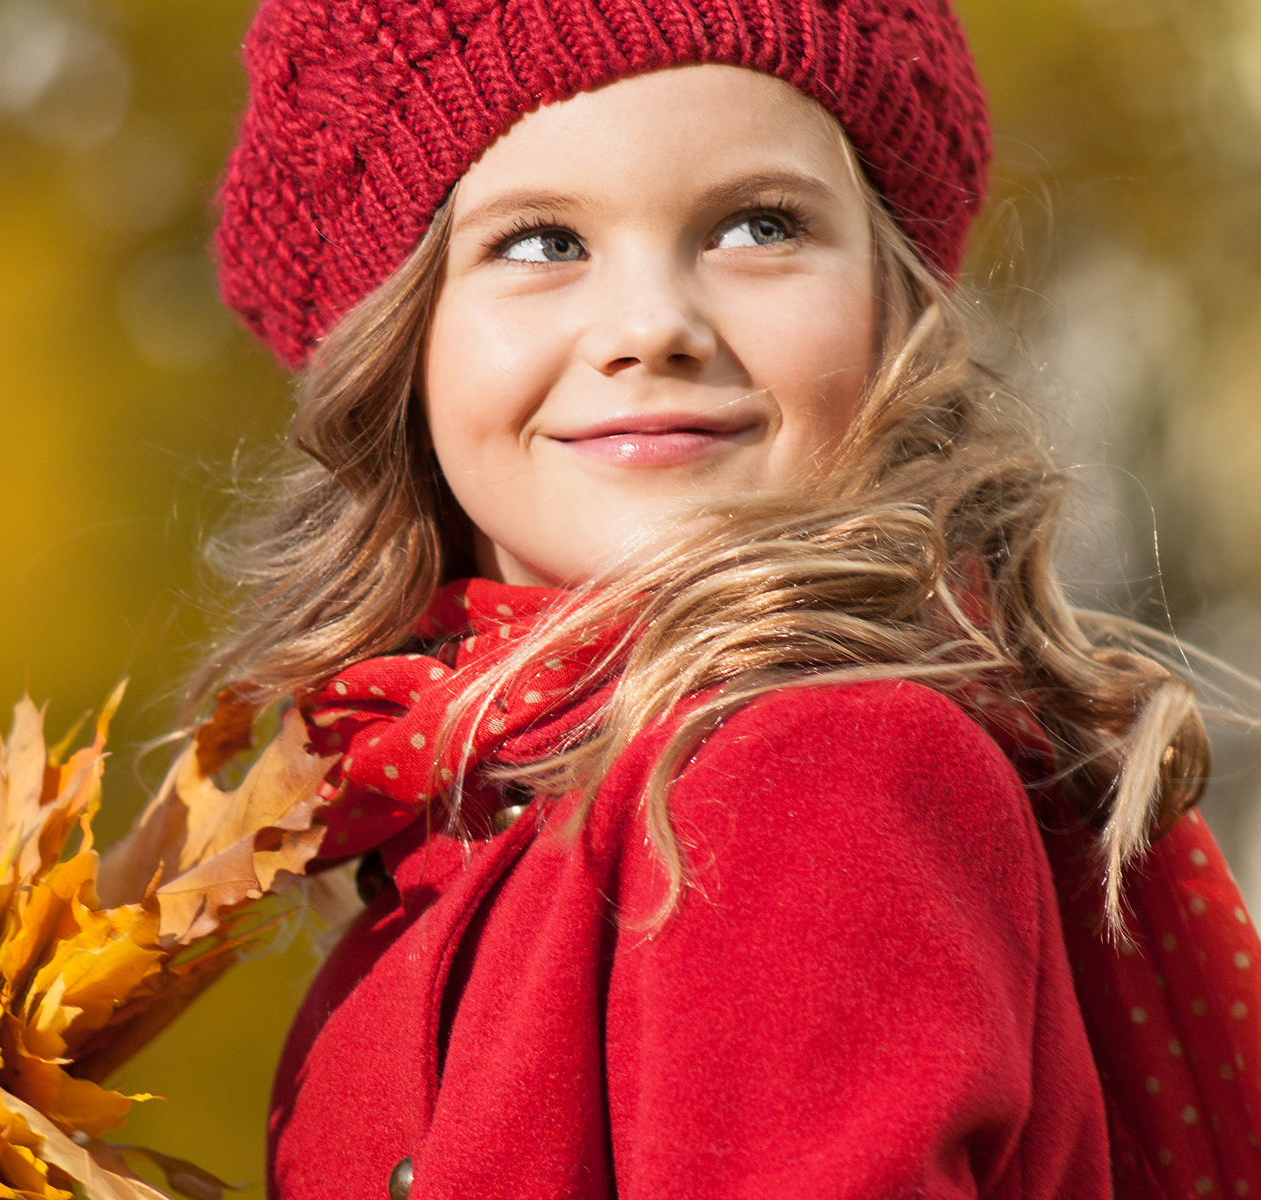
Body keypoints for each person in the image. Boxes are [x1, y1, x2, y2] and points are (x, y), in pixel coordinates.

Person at [192, 1, 1261, 1197]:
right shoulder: (436, 839)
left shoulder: (814, 771)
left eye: (760, 225)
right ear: (400, 345)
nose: (654, 326)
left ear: (890, 305)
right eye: (542, 243)